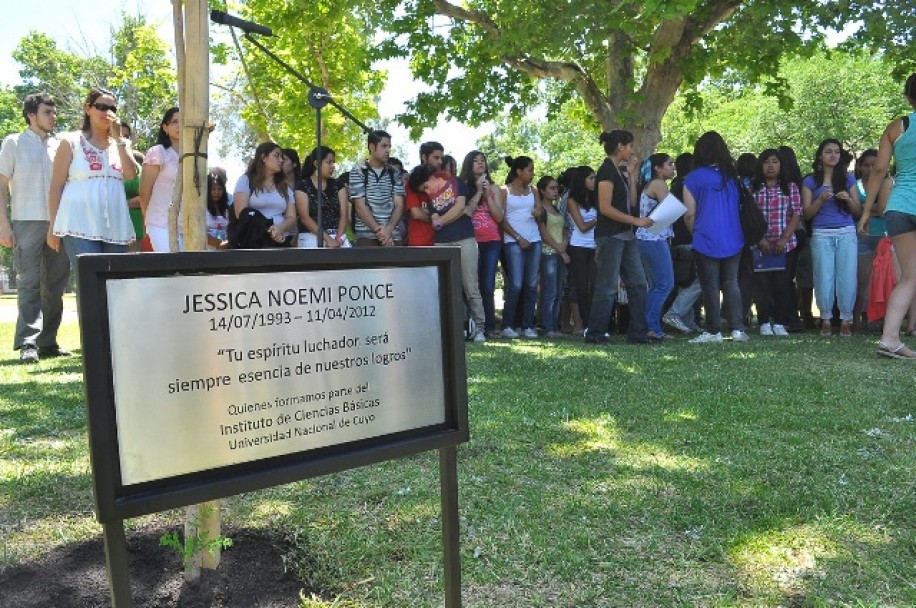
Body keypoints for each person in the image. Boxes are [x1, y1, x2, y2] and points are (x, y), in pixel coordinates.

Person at [0, 92, 70, 363]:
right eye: (47, 112)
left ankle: (48, 342)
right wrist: (3, 224)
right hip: (25, 221)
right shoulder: (13, 143)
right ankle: (28, 343)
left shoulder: (60, 145)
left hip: (59, 223)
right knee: (29, 283)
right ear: (31, 115)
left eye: (53, 112)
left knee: (55, 285)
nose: (53, 117)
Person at [859, 73, 916, 358]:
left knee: (909, 276)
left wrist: (866, 212)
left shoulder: (897, 127)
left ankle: (890, 339)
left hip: (900, 206)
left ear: (908, 97)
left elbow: (878, 171)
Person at [48, 88, 137, 268]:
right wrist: (52, 226)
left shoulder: (122, 144)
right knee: (88, 283)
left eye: (113, 109)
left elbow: (131, 174)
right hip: (78, 224)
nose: (108, 113)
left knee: (114, 285)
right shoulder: (70, 141)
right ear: (88, 109)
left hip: (116, 225)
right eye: (102, 107)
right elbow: (56, 186)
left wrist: (119, 138)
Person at [585, 130, 653, 344]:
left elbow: (631, 203)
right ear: (621, 146)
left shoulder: (618, 171)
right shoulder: (606, 171)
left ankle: (638, 333)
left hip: (626, 235)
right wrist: (635, 221)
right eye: (630, 146)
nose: (632, 150)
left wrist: (631, 176)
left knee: (639, 283)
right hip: (611, 235)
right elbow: (605, 208)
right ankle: (595, 333)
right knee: (607, 286)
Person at [408, 164, 486, 342]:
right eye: (424, 190)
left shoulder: (456, 182)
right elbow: (434, 216)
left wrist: (440, 221)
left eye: (426, 186)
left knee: (470, 285)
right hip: (442, 242)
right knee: (447, 287)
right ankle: (457, 327)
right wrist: (438, 220)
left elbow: (461, 208)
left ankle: (480, 328)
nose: (427, 191)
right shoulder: (430, 198)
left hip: (464, 238)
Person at [682, 131, 747, 343]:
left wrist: (696, 233)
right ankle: (737, 328)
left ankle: (713, 330)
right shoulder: (732, 177)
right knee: (731, 283)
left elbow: (689, 213)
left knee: (709, 285)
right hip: (734, 237)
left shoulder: (693, 178)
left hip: (705, 237)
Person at [802, 139, 861, 337]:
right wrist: (820, 200)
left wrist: (848, 200)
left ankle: (846, 319)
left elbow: (858, 212)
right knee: (823, 277)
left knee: (847, 277)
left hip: (846, 232)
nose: (833, 155)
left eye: (836, 152)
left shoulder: (848, 179)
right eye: (828, 151)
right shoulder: (810, 181)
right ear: (820, 155)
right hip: (821, 233)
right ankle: (825, 319)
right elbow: (806, 215)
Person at [750, 149, 803, 336]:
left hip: (785, 244)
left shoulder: (790, 187)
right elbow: (749, 215)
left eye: (775, 162)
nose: (771, 166)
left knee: (782, 284)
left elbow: (796, 213)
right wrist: (759, 238)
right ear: (760, 165)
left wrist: (784, 238)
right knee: (762, 285)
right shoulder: (753, 187)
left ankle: (780, 322)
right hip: (760, 244)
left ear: (781, 165)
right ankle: (764, 321)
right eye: (766, 162)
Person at [461, 150, 503, 336]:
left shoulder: (494, 188)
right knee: (471, 284)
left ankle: (490, 327)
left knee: (487, 284)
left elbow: (499, 217)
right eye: (476, 161)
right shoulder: (461, 186)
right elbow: (465, 212)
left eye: (482, 160)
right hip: (469, 239)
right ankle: (470, 324)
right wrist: (477, 191)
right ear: (468, 165)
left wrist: (487, 194)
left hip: (491, 240)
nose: (480, 163)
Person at [500, 155, 542, 338]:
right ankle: (507, 324)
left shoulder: (534, 190)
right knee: (516, 284)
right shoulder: (505, 191)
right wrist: (517, 238)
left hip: (535, 239)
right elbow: (501, 219)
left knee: (532, 285)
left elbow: (540, 213)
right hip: (513, 241)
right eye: (530, 170)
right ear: (519, 171)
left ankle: (527, 325)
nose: (533, 173)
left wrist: (538, 213)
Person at [637, 153, 676, 340]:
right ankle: (651, 327)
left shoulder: (651, 184)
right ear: (658, 169)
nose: (673, 167)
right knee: (664, 283)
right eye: (669, 164)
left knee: (656, 285)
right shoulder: (659, 184)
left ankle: (650, 326)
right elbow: (671, 210)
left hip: (648, 238)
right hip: (653, 238)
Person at [663, 152, 702, 333]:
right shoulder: (689, 186)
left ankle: (688, 321)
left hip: (678, 239)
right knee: (698, 280)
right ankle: (675, 313)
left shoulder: (675, 186)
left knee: (685, 281)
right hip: (690, 238)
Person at [232, 142, 297, 248]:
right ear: (263, 157)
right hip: (254, 240)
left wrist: (280, 228)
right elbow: (241, 213)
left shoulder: (285, 186)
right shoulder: (246, 180)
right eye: (276, 156)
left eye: (282, 157)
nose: (281, 160)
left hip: (280, 240)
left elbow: (291, 217)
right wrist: (268, 228)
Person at [349, 130, 405, 246]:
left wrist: (388, 230)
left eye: (389, 146)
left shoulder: (394, 172)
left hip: (393, 237)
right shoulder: (358, 170)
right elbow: (360, 206)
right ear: (372, 147)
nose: (388, 150)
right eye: (384, 146)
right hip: (367, 238)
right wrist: (380, 232)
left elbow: (399, 205)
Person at [139, 107, 180, 252]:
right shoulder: (158, 152)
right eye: (175, 121)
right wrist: (147, 220)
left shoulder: (194, 158)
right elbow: (144, 191)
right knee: (171, 268)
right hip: (160, 223)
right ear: (165, 127)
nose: (180, 125)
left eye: (183, 121)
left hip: (186, 226)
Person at [565, 166, 598, 333]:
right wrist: (599, 219)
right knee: (582, 287)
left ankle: (596, 322)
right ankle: (585, 324)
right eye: (591, 178)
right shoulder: (572, 201)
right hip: (578, 246)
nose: (594, 181)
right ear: (582, 180)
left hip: (595, 246)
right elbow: (582, 226)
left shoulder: (595, 198)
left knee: (595, 285)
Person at [295, 146, 350, 248]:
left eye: (333, 162)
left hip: (337, 235)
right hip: (310, 234)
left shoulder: (338, 185)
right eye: (328, 162)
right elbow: (304, 218)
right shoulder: (302, 185)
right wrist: (328, 240)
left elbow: (344, 215)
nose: (332, 166)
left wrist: (338, 239)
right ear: (316, 164)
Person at [535, 176, 569, 337]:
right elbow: (543, 233)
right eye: (552, 188)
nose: (555, 191)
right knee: (550, 291)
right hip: (547, 253)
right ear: (542, 190)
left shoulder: (556, 209)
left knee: (559, 290)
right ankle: (548, 327)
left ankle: (554, 326)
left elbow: (564, 229)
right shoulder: (541, 209)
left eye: (557, 188)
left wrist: (564, 245)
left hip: (559, 253)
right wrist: (559, 249)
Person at [853, 149, 881, 329]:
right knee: (861, 280)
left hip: (883, 236)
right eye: (866, 165)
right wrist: (874, 208)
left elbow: (886, 209)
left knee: (881, 280)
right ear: (860, 167)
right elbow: (856, 209)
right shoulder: (854, 186)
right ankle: (855, 320)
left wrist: (867, 208)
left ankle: (878, 320)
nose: (870, 168)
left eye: (874, 165)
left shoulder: (885, 184)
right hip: (862, 236)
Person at [404, 142, 443, 246]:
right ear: (424, 157)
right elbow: (416, 213)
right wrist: (437, 219)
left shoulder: (445, 182)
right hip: (420, 241)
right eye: (436, 157)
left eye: (441, 158)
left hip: (442, 240)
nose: (440, 161)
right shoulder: (413, 182)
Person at [206, 171, 230, 250]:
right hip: (207, 252)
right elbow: (200, 235)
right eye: (213, 189)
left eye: (219, 189)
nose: (216, 192)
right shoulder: (202, 210)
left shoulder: (228, 210)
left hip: (226, 253)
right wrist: (220, 244)